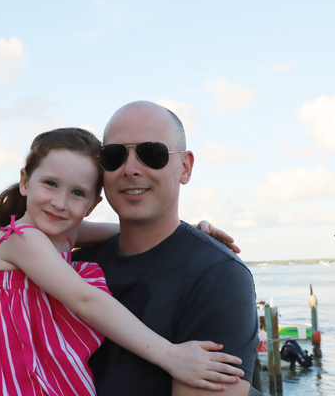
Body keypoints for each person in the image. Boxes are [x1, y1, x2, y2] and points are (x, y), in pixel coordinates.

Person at [0, 128, 243, 396]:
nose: (60, 202)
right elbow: (86, 299)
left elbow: (140, 231)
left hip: (34, 361)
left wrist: (194, 232)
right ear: (25, 181)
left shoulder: (65, 232)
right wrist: (170, 355)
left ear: (92, 205)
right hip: (7, 369)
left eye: (78, 193)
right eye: (50, 183)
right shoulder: (22, 238)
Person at [73, 101, 259, 396]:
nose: (130, 169)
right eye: (114, 155)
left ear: (185, 167)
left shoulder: (218, 276)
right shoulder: (73, 268)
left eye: (152, 153)